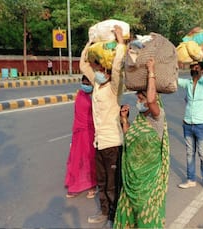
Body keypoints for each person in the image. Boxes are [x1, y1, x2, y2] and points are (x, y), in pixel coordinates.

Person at [114, 58, 170, 229]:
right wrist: (124, 120)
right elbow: (130, 138)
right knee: (129, 215)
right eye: (137, 98)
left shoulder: (157, 118)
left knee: (147, 219)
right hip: (132, 178)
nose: (139, 101)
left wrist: (151, 70)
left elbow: (152, 101)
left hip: (150, 181)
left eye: (141, 98)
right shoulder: (139, 119)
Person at [79, 25, 125, 226]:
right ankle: (105, 212)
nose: (95, 70)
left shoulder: (115, 86)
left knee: (113, 184)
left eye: (98, 68)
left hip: (113, 142)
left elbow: (117, 67)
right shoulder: (97, 84)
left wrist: (121, 43)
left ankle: (115, 215)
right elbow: (82, 65)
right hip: (99, 142)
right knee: (102, 182)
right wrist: (90, 44)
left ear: (105, 70)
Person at [178, 46, 203, 191]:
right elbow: (174, 80)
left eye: (197, 67)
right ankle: (191, 179)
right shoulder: (187, 83)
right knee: (189, 153)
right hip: (187, 124)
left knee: (202, 154)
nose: (195, 69)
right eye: (193, 67)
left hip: (201, 125)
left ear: (202, 70)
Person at [64, 75, 97, 199]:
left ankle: (92, 186)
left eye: (88, 83)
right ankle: (76, 186)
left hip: (89, 132)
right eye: (84, 83)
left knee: (89, 159)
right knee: (78, 159)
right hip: (80, 133)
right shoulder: (80, 96)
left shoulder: (93, 97)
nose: (85, 85)